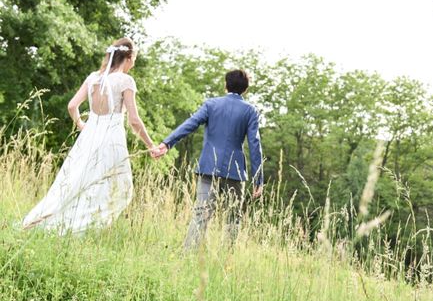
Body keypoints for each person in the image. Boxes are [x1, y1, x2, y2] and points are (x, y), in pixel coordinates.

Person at [22, 37, 156, 233]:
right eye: (134, 58)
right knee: (112, 184)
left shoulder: (93, 77)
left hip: (88, 135)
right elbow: (134, 121)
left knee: (75, 180)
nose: (134, 63)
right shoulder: (125, 81)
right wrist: (150, 145)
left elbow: (72, 105)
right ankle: (84, 227)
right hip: (111, 138)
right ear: (128, 57)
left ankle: (49, 220)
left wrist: (80, 124)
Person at [152, 69, 264, 249]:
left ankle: (188, 255)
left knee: (201, 214)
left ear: (225, 85)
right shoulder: (250, 111)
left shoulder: (211, 105)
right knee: (233, 218)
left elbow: (190, 124)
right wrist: (258, 178)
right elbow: (254, 144)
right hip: (235, 172)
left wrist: (166, 144)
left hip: (208, 168)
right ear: (245, 89)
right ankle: (226, 260)